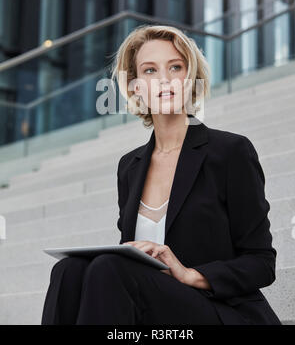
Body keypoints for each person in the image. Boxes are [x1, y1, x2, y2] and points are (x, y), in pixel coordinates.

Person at [41, 25, 282, 325]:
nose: (164, 80)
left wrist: (190, 275)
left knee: (108, 269)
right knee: (69, 270)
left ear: (190, 79)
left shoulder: (230, 152)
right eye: (150, 70)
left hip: (222, 312)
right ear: (135, 86)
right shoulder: (129, 167)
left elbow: (261, 262)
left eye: (176, 67)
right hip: (156, 311)